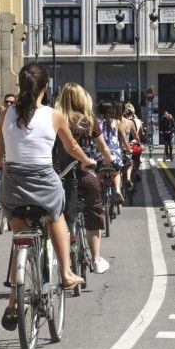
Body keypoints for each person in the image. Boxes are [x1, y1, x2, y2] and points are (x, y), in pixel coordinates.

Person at [0, 64, 96, 331]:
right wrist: (86, 161)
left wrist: (0, 164)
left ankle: (13, 301)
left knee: (19, 240)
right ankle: (66, 273)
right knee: (56, 215)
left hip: (13, 183)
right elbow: (71, 147)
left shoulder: (6, 113)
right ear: (46, 88)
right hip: (43, 180)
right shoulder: (55, 115)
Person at [54, 83, 113, 274]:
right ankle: (95, 259)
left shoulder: (54, 119)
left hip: (59, 175)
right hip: (85, 174)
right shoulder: (89, 121)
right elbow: (103, 147)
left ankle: (55, 257)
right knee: (94, 211)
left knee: (55, 215)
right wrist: (108, 159)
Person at [96, 100, 126, 204]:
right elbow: (122, 138)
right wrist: (127, 148)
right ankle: (117, 190)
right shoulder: (116, 122)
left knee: (97, 174)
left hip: (100, 156)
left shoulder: (95, 122)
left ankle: (97, 194)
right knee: (117, 173)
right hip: (114, 156)